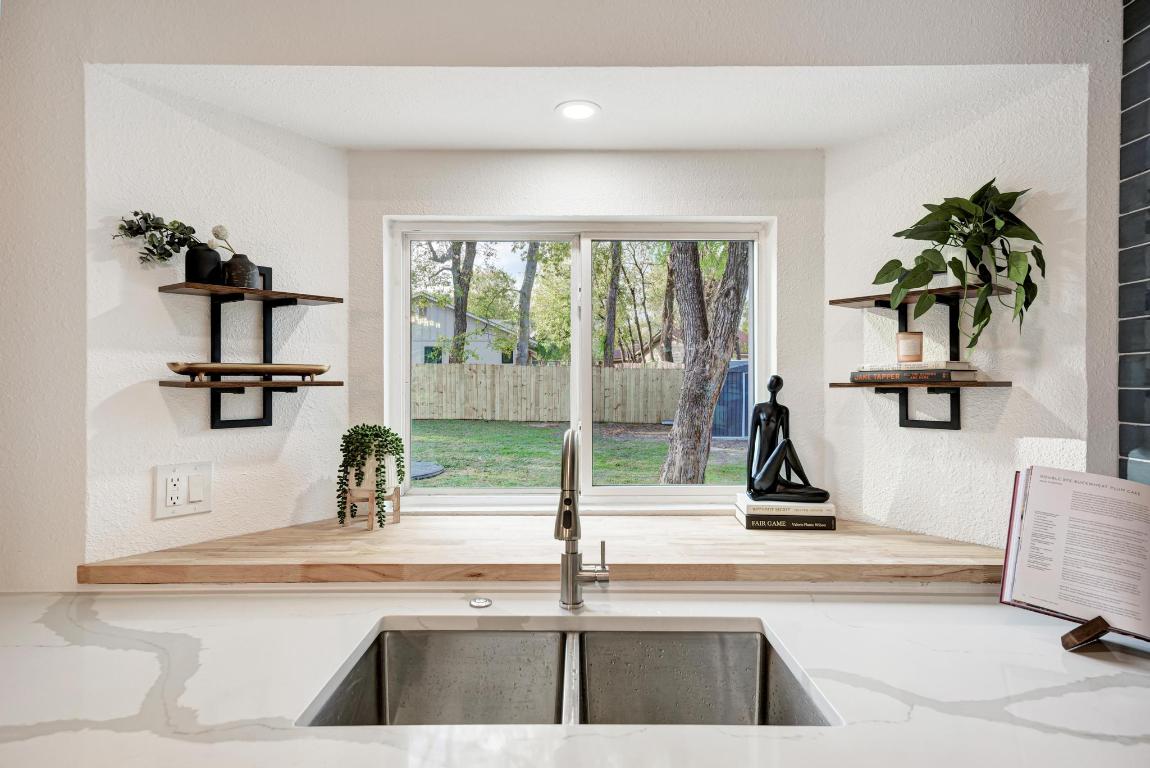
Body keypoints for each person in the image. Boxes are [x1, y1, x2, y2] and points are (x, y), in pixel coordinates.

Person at [746, 375, 830, 503]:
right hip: (761, 479)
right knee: (786, 442)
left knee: (823, 495)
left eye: (776, 382)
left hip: (775, 479)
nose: (773, 384)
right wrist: (749, 487)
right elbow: (751, 447)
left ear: (779, 387)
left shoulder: (783, 410)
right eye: (771, 381)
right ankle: (804, 483)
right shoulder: (759, 408)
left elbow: (786, 454)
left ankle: (805, 486)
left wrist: (788, 479)